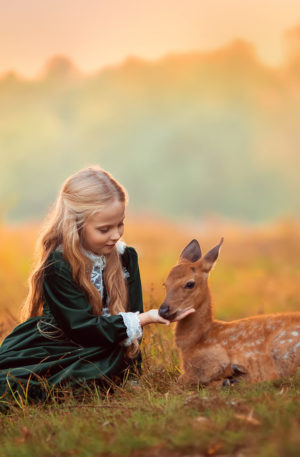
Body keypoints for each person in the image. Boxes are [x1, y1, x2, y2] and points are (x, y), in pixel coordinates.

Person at [0, 166, 194, 402]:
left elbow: (133, 318)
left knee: (108, 372)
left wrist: (133, 373)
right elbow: (81, 328)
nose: (116, 235)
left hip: (105, 344)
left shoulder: (125, 257)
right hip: (61, 345)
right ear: (77, 225)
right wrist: (144, 319)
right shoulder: (59, 264)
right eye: (104, 229)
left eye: (120, 224)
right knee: (29, 384)